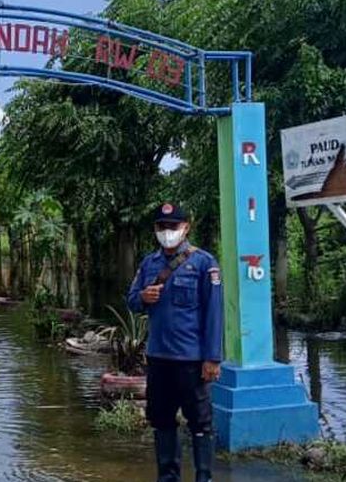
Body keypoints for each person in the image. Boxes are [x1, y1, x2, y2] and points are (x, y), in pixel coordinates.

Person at [126, 203, 223, 482]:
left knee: (200, 423)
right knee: (162, 421)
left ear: (186, 228)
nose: (167, 232)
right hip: (159, 359)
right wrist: (143, 297)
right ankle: (168, 478)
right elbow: (132, 301)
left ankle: (204, 477)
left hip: (192, 360)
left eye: (172, 226)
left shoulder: (204, 264)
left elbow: (214, 314)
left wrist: (212, 358)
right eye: (161, 227)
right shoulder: (149, 264)